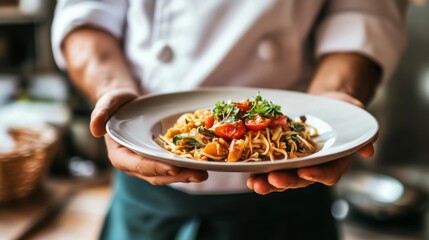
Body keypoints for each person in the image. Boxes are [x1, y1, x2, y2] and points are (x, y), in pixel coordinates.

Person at [51, 1, 407, 239]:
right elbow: (86, 15)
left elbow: (364, 14)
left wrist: (334, 103)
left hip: (289, 200)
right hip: (147, 194)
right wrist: (112, 90)